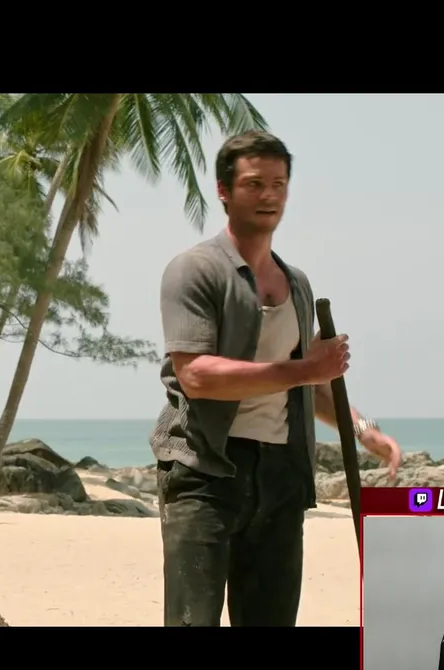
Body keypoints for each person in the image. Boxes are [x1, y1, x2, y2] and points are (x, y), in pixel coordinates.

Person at [148, 130, 403, 627]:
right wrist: (306, 369)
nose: (268, 195)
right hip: (204, 471)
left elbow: (312, 388)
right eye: (254, 184)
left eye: (278, 184)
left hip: (282, 476)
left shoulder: (298, 284)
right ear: (224, 190)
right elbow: (196, 375)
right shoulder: (195, 270)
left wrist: (364, 430)